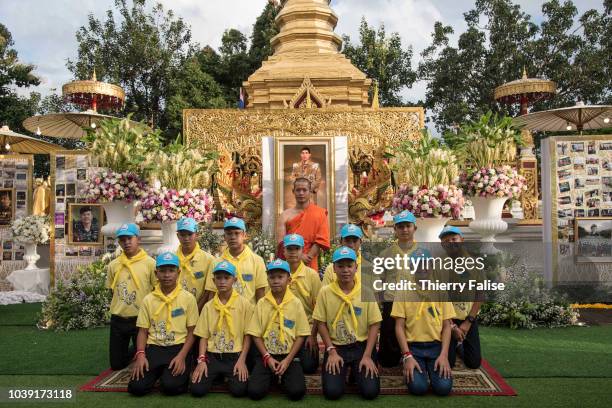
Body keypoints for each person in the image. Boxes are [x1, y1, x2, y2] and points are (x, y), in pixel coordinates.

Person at [313, 247, 382, 400]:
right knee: (332, 392)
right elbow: (321, 322)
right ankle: (346, 371)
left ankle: (356, 372)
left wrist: (368, 355)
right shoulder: (325, 292)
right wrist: (330, 351)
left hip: (361, 346)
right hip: (337, 347)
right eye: (341, 266)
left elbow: (374, 325)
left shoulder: (366, 291)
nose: (345, 270)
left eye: (349, 266)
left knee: (370, 392)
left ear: (356, 268)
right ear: (334, 269)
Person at [128, 252, 199, 396]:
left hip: (178, 348)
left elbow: (192, 332)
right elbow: (142, 331)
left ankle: (171, 373)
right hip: (154, 348)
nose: (167, 275)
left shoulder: (188, 299)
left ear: (178, 272)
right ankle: (158, 371)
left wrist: (182, 356)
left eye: (171, 270)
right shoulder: (148, 299)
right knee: (136, 388)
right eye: (162, 270)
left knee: (171, 387)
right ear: (156, 273)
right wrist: (141, 354)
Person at [391, 249, 455, 396]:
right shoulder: (403, 291)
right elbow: (399, 327)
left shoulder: (440, 290)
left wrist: (444, 355)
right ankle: (409, 364)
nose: (422, 268)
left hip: (436, 347)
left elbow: (446, 326)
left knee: (443, 388)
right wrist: (407, 355)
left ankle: (434, 366)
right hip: (413, 348)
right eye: (417, 264)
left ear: (431, 265)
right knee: (418, 388)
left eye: (425, 263)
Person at [246, 259, 310, 401]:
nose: (275, 281)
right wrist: (267, 357)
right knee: (255, 392)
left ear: (289, 279)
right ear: (267, 279)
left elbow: (301, 335)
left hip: (289, 355)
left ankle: (282, 375)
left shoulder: (296, 303)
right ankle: (272, 376)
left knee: (297, 392)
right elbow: (255, 335)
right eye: (272, 277)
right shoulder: (262, 303)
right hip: (266, 355)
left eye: (280, 277)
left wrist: (288, 360)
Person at [191, 260, 253, 398]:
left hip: (234, 357)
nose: (222, 281)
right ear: (213, 281)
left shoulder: (245, 305)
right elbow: (203, 336)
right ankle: (217, 374)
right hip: (212, 356)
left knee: (239, 390)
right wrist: (201, 360)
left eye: (227, 277)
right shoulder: (208, 306)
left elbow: (248, 335)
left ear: (234, 280)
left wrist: (242, 360)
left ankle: (225, 376)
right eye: (218, 278)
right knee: (197, 390)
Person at [105, 223, 156, 370]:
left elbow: (155, 290)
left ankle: (141, 350)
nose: (126, 242)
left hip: (141, 319)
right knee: (116, 364)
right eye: (122, 240)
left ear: (138, 239)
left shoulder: (150, 264)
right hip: (118, 319)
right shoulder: (113, 265)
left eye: (129, 238)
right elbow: (111, 290)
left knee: (149, 362)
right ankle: (133, 353)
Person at [376, 210, 420, 367]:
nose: (405, 230)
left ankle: (413, 356)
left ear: (415, 228)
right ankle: (391, 356)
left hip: (416, 301)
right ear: (395, 229)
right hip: (392, 300)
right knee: (389, 333)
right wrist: (380, 304)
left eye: (408, 226)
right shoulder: (385, 254)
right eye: (400, 227)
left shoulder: (424, 252)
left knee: (415, 332)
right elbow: (379, 281)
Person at [439, 226, 482, 369]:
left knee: (474, 363)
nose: (451, 243)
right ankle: (453, 344)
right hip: (446, 319)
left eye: (454, 239)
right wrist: (452, 326)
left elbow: (480, 293)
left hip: (468, 317)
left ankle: (459, 346)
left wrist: (469, 322)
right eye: (446, 241)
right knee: (449, 363)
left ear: (462, 240)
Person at [283, 233, 322, 374]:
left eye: (296, 248)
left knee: (309, 367)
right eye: (289, 249)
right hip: (282, 327)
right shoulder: (277, 273)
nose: (293, 252)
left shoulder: (312, 275)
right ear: (284, 251)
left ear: (302, 251)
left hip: (306, 328)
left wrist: (312, 335)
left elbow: (319, 308)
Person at [205, 217, 268, 305]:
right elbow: (211, 293)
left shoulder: (257, 261)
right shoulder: (216, 263)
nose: (233, 237)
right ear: (224, 237)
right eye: (229, 234)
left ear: (245, 235)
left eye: (237, 233)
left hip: (249, 315)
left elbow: (260, 292)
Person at [277, 177, 330, 271]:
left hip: (309, 260)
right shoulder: (285, 215)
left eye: (304, 190)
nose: (301, 193)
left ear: (310, 192)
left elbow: (321, 240)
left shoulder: (319, 213)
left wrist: (308, 256)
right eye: (298, 190)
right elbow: (281, 243)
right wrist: (299, 255)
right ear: (293, 191)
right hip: (290, 260)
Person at [175, 217, 215, 310]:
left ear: (197, 235)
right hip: (175, 310)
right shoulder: (172, 259)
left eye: (190, 234)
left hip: (199, 309)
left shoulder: (209, 260)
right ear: (178, 236)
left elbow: (208, 291)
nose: (186, 238)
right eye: (182, 235)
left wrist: (196, 310)